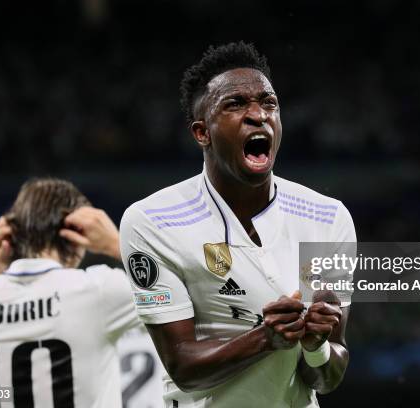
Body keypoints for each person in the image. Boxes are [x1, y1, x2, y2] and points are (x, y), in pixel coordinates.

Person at [119, 42, 356, 407]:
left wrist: (316, 347)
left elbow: (326, 378)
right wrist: (265, 338)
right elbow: (182, 365)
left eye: (269, 103)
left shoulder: (327, 218)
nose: (258, 115)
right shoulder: (154, 221)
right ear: (202, 132)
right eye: (235, 104)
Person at [0, 178, 140, 408]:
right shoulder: (99, 291)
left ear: (10, 234)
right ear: (77, 234)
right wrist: (115, 243)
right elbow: (178, 287)